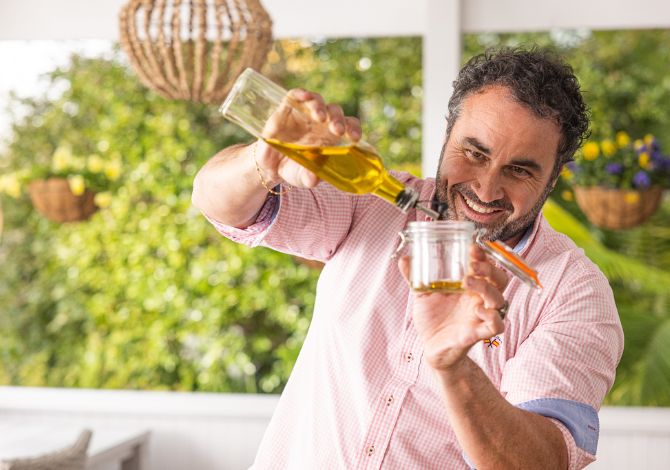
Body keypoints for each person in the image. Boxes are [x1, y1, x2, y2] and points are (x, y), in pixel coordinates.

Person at [192, 48, 624, 469]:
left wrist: (453, 367)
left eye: (520, 170)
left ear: (555, 176)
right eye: (474, 153)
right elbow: (217, 201)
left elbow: (542, 462)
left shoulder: (573, 292)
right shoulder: (367, 203)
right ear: (447, 134)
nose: (487, 189)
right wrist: (264, 161)